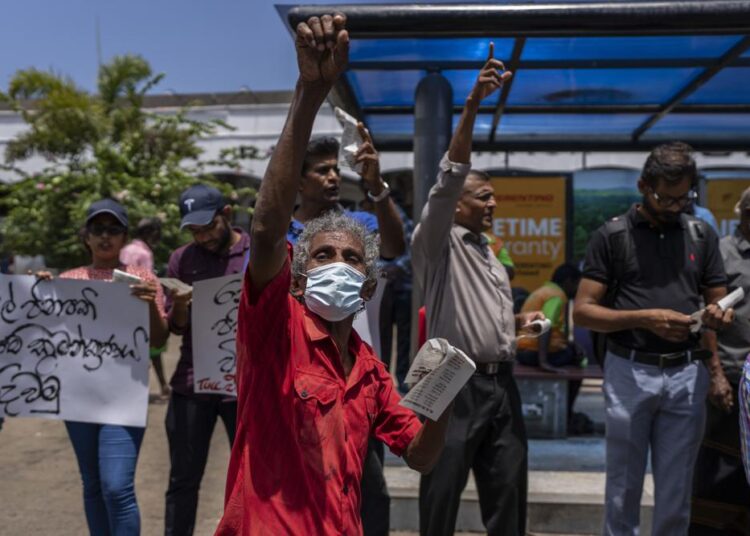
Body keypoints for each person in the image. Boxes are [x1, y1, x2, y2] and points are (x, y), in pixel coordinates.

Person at [215, 13, 450, 535]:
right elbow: (267, 231)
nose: (338, 266)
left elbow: (419, 455)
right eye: (322, 256)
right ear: (296, 281)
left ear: (369, 287)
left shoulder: (369, 371)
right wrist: (310, 92)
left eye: (351, 259)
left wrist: (443, 403)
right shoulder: (277, 327)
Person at [413, 46, 544, 536]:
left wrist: (516, 326)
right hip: (448, 380)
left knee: (508, 496)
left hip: (501, 383)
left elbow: (477, 318)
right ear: (458, 204)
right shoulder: (436, 240)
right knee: (440, 497)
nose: (493, 204)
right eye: (483, 196)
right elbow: (446, 180)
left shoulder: (488, 250)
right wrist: (471, 105)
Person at [574, 141, 734, 536]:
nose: (677, 206)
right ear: (644, 185)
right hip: (629, 370)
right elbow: (583, 311)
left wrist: (720, 315)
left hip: (685, 374)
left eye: (686, 197)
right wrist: (645, 319)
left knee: (677, 487)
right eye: (667, 197)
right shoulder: (613, 236)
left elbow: (717, 302)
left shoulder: (701, 234)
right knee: (623, 485)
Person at [47, 198, 168, 535]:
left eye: (113, 229)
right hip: (78, 398)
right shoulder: (67, 280)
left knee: (117, 487)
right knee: (93, 485)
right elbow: (45, 335)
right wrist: (37, 291)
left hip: (123, 397)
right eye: (97, 229)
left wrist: (150, 307)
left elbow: (158, 340)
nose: (105, 236)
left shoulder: (141, 279)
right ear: (86, 236)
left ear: (124, 236)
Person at [163, 183, 250, 536]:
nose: (202, 237)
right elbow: (177, 328)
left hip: (243, 386)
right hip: (191, 383)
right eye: (194, 230)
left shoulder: (255, 253)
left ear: (226, 215)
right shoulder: (181, 260)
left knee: (250, 479)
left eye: (208, 227)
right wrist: (180, 305)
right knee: (183, 480)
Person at [690, 187, 750, 535]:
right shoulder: (722, 255)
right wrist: (716, 375)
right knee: (720, 471)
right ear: (745, 214)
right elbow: (706, 318)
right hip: (731, 374)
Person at [516, 263, 588, 431]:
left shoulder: (543, 290)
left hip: (523, 350)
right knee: (579, 360)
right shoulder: (557, 295)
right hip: (534, 353)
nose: (578, 290)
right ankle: (567, 414)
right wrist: (544, 362)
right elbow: (544, 326)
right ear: (569, 281)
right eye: (578, 284)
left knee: (571, 350)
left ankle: (567, 412)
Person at [120, 217, 171, 400]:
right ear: (151, 233)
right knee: (153, 350)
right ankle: (155, 387)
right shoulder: (144, 253)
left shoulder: (125, 249)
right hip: (144, 306)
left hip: (124, 307)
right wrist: (158, 310)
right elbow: (149, 284)